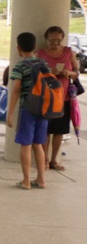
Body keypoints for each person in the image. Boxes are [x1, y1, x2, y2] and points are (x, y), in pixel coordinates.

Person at [6, 31, 48, 190]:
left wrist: (10, 114)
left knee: (25, 144)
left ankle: (26, 181)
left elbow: (16, 90)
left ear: (18, 48)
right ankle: (41, 179)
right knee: (38, 144)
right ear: (35, 46)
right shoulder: (44, 64)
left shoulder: (20, 66)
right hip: (43, 109)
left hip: (28, 110)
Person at [35, 25, 79, 171]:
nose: (55, 44)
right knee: (45, 130)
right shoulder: (40, 54)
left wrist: (68, 72)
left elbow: (76, 72)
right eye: (52, 41)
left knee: (59, 131)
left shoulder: (68, 52)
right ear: (46, 39)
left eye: (58, 41)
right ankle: (45, 160)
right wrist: (48, 73)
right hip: (47, 97)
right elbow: (35, 74)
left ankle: (54, 159)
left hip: (64, 97)